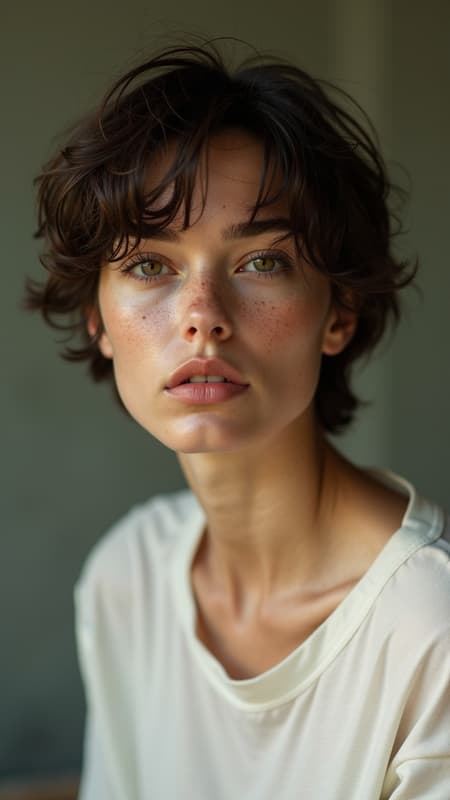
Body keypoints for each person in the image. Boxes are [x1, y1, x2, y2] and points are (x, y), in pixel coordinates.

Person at [26, 41, 450, 799]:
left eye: (262, 262)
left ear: (339, 313)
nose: (203, 317)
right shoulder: (129, 578)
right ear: (97, 318)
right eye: (150, 265)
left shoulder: (428, 629)